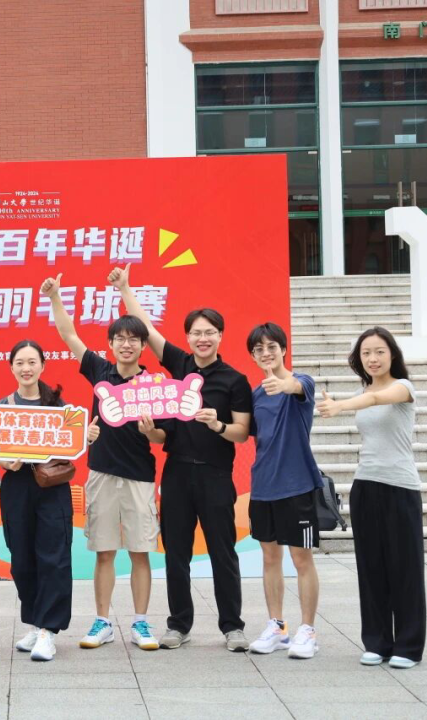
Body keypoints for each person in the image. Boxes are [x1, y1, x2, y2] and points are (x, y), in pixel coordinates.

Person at [110, 263, 252, 652]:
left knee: (223, 552)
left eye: (210, 332)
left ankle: (233, 627)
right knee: (176, 554)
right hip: (176, 474)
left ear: (220, 336)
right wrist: (125, 288)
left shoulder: (234, 380)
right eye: (196, 333)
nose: (202, 339)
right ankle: (179, 624)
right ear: (187, 337)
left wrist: (218, 425)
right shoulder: (179, 364)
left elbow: (242, 431)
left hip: (216, 475)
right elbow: (146, 329)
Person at [40, 273, 162, 652]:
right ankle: (103, 621)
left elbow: (163, 438)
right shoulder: (100, 371)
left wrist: (151, 432)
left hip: (140, 477)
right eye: (119, 339)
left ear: (143, 345)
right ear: (110, 344)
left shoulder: (153, 385)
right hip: (102, 475)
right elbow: (68, 335)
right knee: (104, 551)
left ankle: (141, 623)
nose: (126, 344)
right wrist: (55, 296)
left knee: (140, 551)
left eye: (133, 339)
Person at [318, 326, 425, 669]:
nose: (373, 358)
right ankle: (377, 642)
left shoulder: (403, 388)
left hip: (400, 487)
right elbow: (368, 398)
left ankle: (408, 646)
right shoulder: (362, 390)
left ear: (392, 354)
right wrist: (344, 402)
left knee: (405, 569)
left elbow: (377, 399)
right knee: (371, 568)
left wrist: (341, 405)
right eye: (366, 353)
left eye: (379, 351)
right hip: (365, 486)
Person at [245, 323, 323, 659]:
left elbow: (296, 386)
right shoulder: (256, 395)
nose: (266, 353)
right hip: (263, 488)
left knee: (301, 558)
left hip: (297, 487)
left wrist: (284, 383)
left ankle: (308, 630)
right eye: (259, 349)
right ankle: (277, 627)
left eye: (272, 347)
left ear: (284, 350)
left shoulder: (302, 383)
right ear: (253, 356)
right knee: (269, 558)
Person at [0, 340, 74, 662]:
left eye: (32, 362)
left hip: (51, 486)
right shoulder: (1, 408)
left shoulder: (59, 406)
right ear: (11, 367)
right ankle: (35, 622)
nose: (26, 368)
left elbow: (71, 446)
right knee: (21, 558)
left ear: (43, 365)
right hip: (17, 486)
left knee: (53, 556)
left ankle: (49, 630)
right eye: (20, 362)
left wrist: (83, 437)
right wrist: (5, 462)